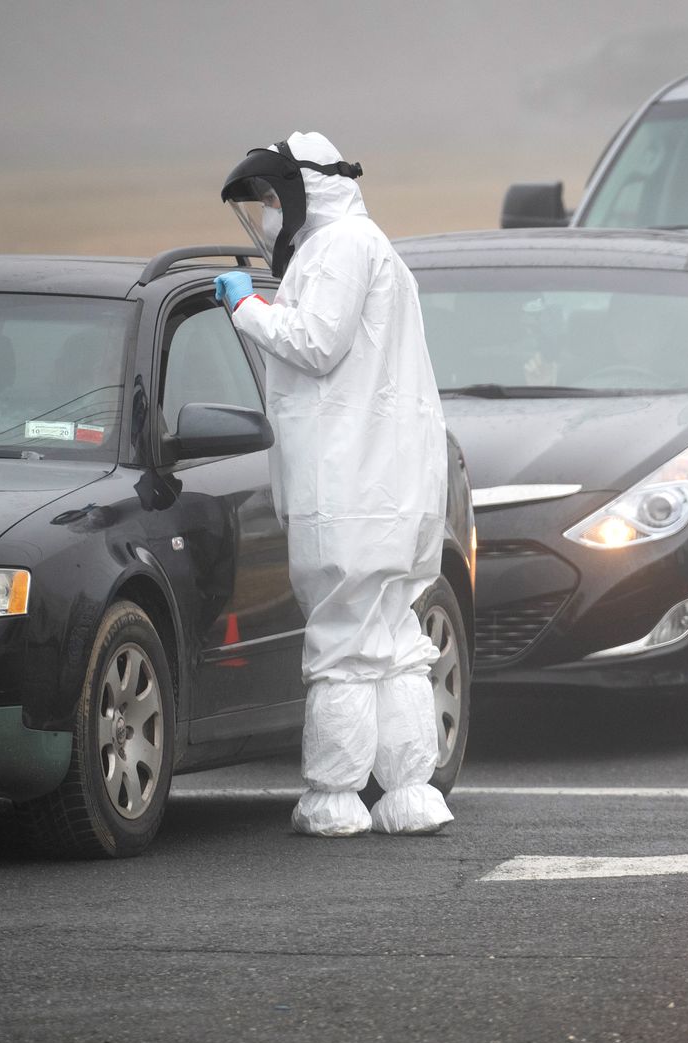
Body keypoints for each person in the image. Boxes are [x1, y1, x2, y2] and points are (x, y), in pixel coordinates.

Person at [213, 132, 452, 838]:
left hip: (352, 488)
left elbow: (317, 343)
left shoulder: (342, 246)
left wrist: (245, 308)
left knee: (345, 645)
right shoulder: (366, 243)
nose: (263, 216)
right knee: (392, 642)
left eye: (266, 200)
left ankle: (336, 796)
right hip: (389, 486)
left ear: (299, 191)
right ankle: (410, 791)